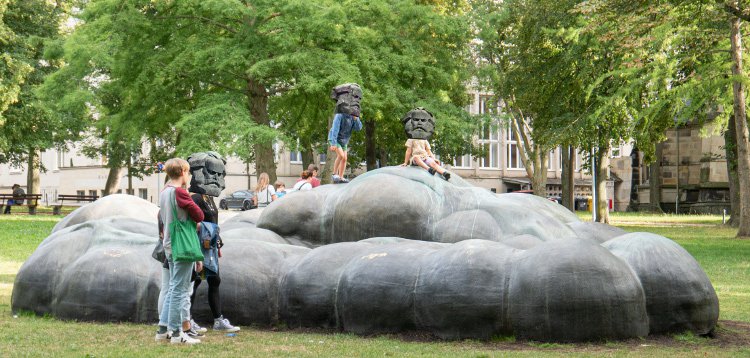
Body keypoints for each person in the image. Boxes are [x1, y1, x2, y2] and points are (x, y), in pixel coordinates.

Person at [186, 151, 240, 334]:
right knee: (194, 282)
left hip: (210, 248)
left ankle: (218, 319)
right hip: (199, 248)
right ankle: (188, 319)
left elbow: (212, 223)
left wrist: (217, 239)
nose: (216, 179)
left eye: (219, 174)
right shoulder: (194, 198)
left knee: (214, 280)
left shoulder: (208, 198)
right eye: (213, 174)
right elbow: (191, 224)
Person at [155, 158, 205, 345]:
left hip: (169, 243)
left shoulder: (164, 192)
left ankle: (162, 330)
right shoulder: (179, 193)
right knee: (179, 289)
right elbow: (199, 215)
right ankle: (177, 334)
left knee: (173, 288)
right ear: (183, 172)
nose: (189, 175)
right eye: (188, 172)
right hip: (181, 245)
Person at [399, 107, 450, 181]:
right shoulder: (411, 140)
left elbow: (429, 151)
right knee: (416, 157)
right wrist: (405, 162)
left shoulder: (425, 141)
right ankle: (428, 169)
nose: (419, 123)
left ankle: (444, 173)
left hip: (425, 157)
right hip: (416, 159)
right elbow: (408, 151)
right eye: (416, 120)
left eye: (423, 120)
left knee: (433, 163)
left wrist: (433, 158)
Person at [328, 83, 363, 184]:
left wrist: (356, 119)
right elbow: (334, 128)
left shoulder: (353, 116)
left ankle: (341, 176)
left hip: (344, 140)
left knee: (345, 158)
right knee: (342, 156)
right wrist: (333, 143)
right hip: (335, 138)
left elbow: (358, 128)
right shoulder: (340, 114)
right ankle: (334, 174)